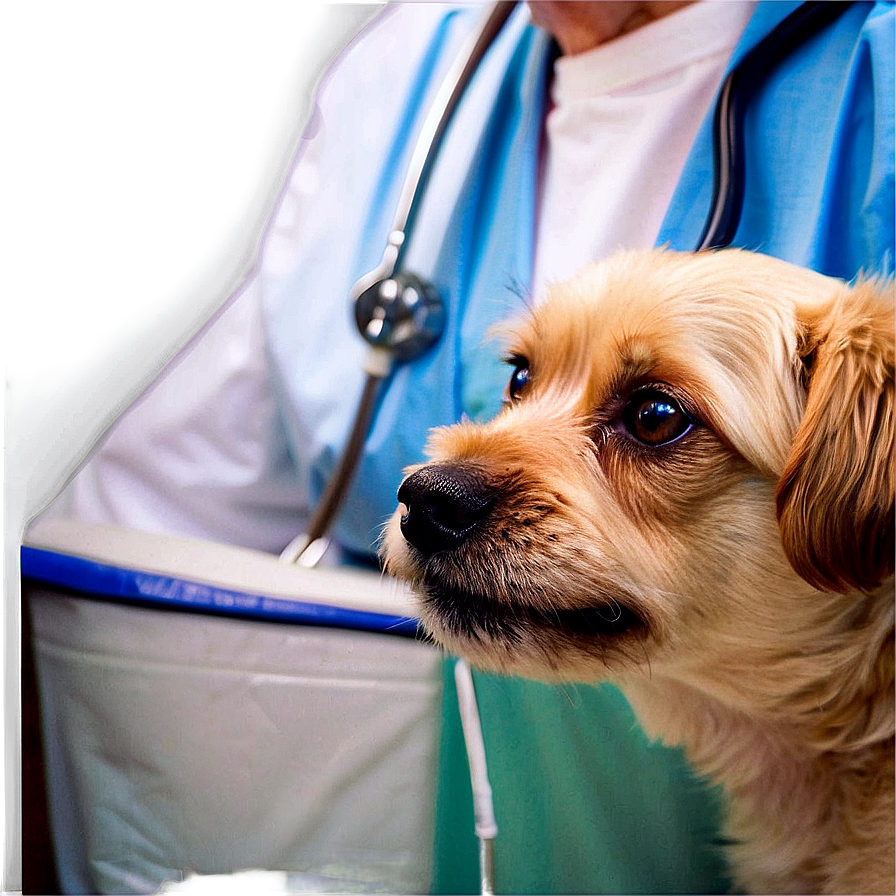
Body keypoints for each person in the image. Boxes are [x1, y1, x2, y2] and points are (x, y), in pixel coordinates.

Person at [40, 1, 895, 892]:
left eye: (653, 420)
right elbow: (121, 535)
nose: (444, 483)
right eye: (520, 377)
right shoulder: (413, 61)